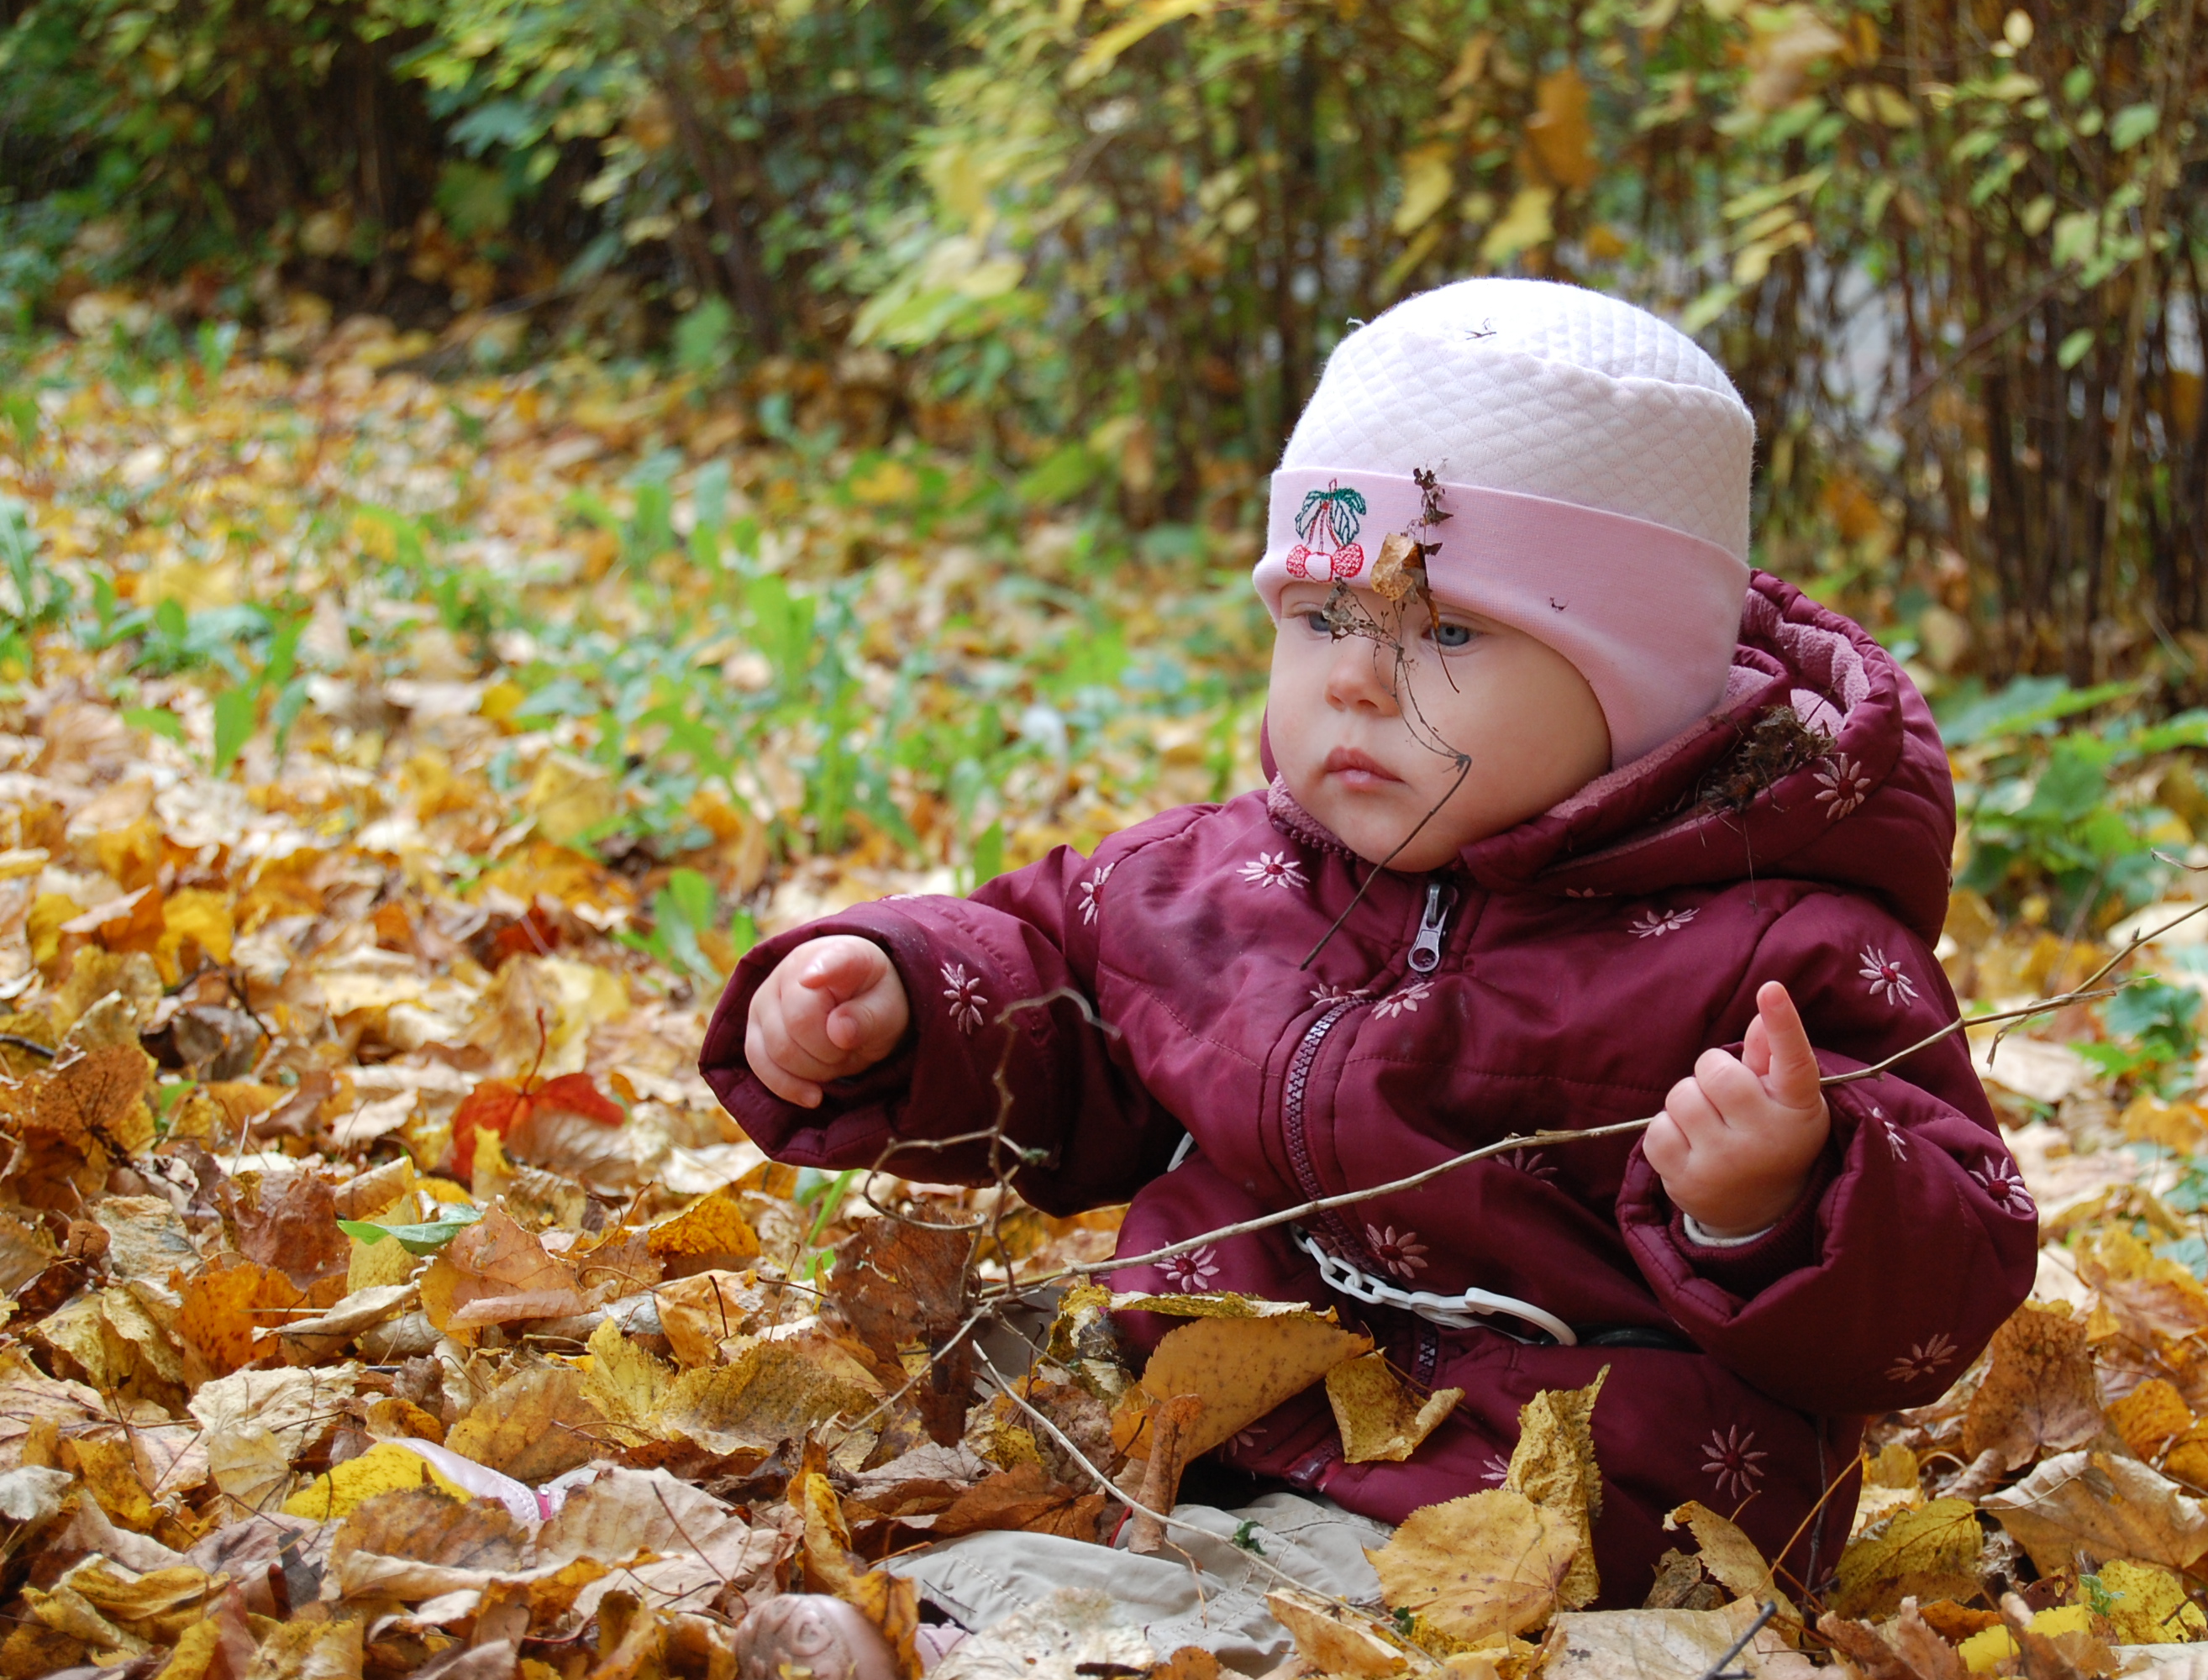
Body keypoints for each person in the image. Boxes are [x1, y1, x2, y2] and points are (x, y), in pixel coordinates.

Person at [702, 277, 2037, 1662]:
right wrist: (906, 998)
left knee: (1357, 1617)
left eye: (1445, 632)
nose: (1355, 678)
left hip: (1561, 1508)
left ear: (1638, 685)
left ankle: (1046, 1640)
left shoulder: (1774, 944)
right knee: (1036, 1457)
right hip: (1219, 1413)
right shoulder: (1239, 873)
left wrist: (1775, 1203)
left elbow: (1949, 1278)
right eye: (1322, 617)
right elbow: (1067, 995)